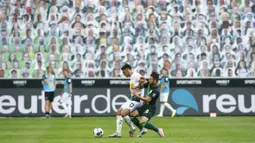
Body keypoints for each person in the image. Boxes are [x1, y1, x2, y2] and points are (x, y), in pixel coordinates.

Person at [109, 64, 146, 138]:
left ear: (127, 70)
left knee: (123, 113)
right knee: (118, 112)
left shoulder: (136, 75)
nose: (123, 74)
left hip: (137, 100)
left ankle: (132, 129)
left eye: (124, 72)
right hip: (132, 99)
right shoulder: (132, 77)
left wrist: (136, 86)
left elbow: (144, 82)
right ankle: (118, 133)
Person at [129, 72, 165, 138]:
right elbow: (141, 86)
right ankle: (142, 129)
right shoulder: (149, 83)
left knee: (142, 122)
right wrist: (140, 82)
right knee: (131, 115)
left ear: (155, 80)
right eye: (149, 78)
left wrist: (137, 95)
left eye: (151, 79)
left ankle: (158, 130)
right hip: (145, 106)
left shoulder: (156, 90)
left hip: (150, 108)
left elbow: (147, 100)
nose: (149, 80)